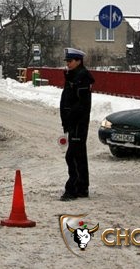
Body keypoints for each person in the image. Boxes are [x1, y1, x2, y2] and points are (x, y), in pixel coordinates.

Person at [59, 47, 95, 201]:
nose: (68, 63)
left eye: (70, 61)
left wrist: (71, 118)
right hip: (73, 122)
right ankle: (81, 187)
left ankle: (72, 189)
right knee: (78, 155)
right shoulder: (74, 76)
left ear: (78, 61)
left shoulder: (81, 78)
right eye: (67, 61)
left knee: (72, 156)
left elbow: (81, 104)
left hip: (78, 123)